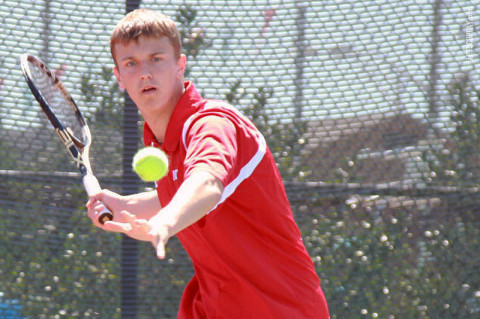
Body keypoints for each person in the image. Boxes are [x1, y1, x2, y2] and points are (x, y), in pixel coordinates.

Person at [87, 8, 329, 319]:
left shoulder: (212, 124)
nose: (144, 72)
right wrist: (124, 205)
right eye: (131, 63)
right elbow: (177, 195)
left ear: (180, 65)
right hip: (214, 306)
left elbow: (207, 182)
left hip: (281, 309)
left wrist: (166, 221)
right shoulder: (162, 141)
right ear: (119, 77)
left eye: (156, 58)